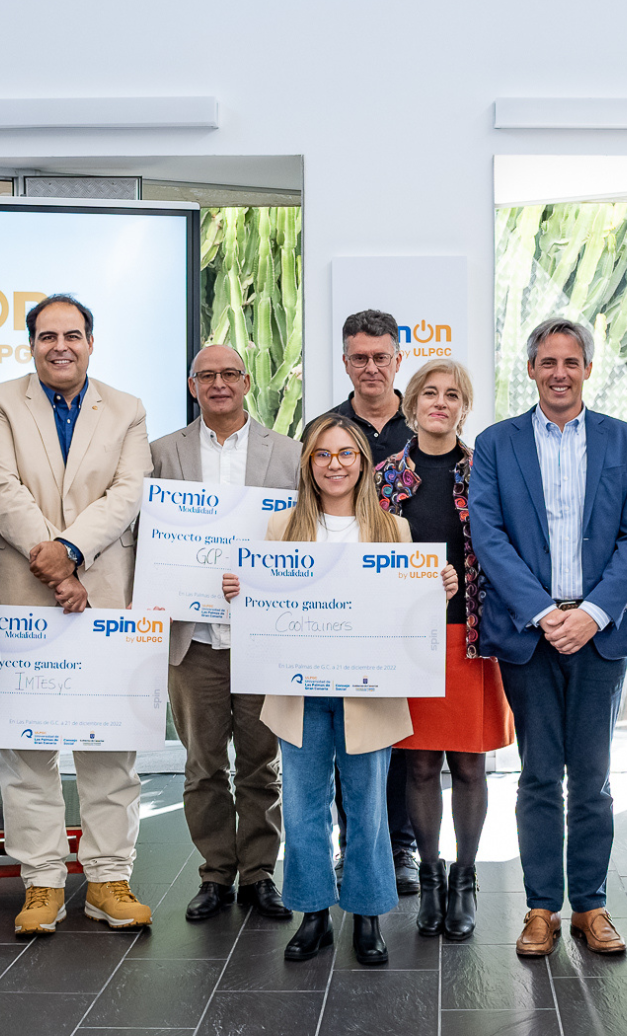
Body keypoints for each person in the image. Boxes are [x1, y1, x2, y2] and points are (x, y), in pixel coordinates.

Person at [221, 414, 459, 966]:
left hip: (368, 692)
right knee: (304, 807)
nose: (334, 464)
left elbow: (409, 609)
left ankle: (369, 915)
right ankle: (313, 916)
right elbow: (262, 605)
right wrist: (239, 589)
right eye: (323, 455)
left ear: (362, 463)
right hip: (298, 690)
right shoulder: (280, 530)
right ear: (309, 463)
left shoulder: (392, 530)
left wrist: (438, 585)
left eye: (345, 454)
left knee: (367, 807)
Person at [467, 317, 627, 958]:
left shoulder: (624, 441)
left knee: (594, 778)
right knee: (540, 776)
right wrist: (544, 612)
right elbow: (488, 535)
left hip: (600, 632)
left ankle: (592, 906)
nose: (559, 372)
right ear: (531, 370)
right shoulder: (496, 443)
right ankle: (542, 908)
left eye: (571, 362)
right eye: (547, 362)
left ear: (587, 370)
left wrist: (594, 611)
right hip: (531, 632)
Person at [0, 293, 155, 935]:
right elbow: (1, 488)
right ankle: (41, 883)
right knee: (26, 751)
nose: (60, 346)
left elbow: (128, 493)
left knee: (109, 748)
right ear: (31, 345)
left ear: (91, 342)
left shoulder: (127, 409)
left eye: (72, 335)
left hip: (102, 595)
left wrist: (71, 554)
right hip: (23, 593)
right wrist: (53, 564)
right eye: (47, 336)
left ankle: (108, 878)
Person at [149, 344, 302, 924]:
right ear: (193, 385)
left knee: (263, 765)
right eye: (207, 375)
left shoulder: (288, 455)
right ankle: (215, 874)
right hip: (195, 640)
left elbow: (303, 537)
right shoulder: (162, 454)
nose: (219, 384)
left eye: (230, 374)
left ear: (246, 382)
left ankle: (260, 874)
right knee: (202, 764)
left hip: (265, 638)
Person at [377, 358, 512, 940]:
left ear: (465, 405)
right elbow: (366, 554)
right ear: (411, 405)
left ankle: (466, 879)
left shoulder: (487, 470)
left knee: (470, 763)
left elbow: (509, 548)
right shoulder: (383, 477)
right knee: (421, 762)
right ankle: (429, 880)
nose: (440, 402)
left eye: (452, 394)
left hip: (473, 636)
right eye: (429, 393)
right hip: (407, 639)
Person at [324, 308, 419, 893]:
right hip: (339, 610)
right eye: (359, 357)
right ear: (345, 362)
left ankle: (401, 850)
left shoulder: (425, 420)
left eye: (381, 356)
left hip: (412, 607)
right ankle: (352, 847)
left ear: (397, 359)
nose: (371, 367)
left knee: (403, 737)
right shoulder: (327, 429)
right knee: (348, 738)